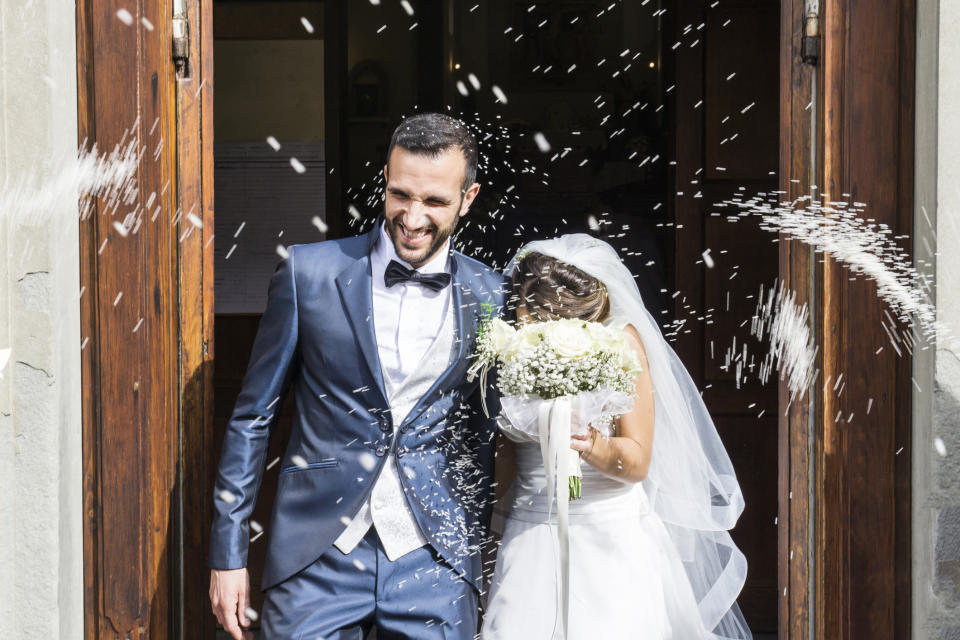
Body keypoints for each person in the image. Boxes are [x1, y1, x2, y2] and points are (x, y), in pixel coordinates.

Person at [208, 113, 506, 639]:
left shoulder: (491, 295)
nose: (412, 218)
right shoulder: (309, 273)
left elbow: (489, 432)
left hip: (435, 562)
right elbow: (253, 418)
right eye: (400, 195)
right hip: (315, 558)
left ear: (469, 197)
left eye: (434, 201)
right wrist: (229, 555)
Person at [481, 235, 752, 639]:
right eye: (525, 312)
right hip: (530, 533)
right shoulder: (510, 347)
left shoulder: (621, 343)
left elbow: (638, 460)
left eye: (540, 315)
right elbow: (507, 453)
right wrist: (488, 525)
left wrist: (590, 443)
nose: (528, 324)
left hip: (609, 535)